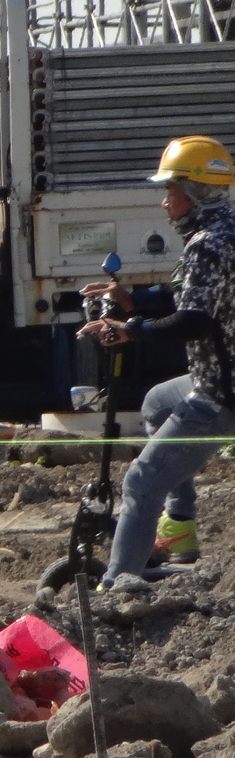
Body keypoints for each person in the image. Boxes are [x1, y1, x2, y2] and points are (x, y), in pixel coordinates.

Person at [78, 135, 235, 591]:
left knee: (141, 482)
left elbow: (194, 321)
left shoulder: (208, 244)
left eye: (171, 190)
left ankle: (117, 588)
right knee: (157, 402)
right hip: (215, 376)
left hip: (221, 393)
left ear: (193, 192)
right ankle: (179, 525)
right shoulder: (225, 230)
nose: (165, 201)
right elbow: (191, 295)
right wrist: (134, 301)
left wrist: (132, 329)